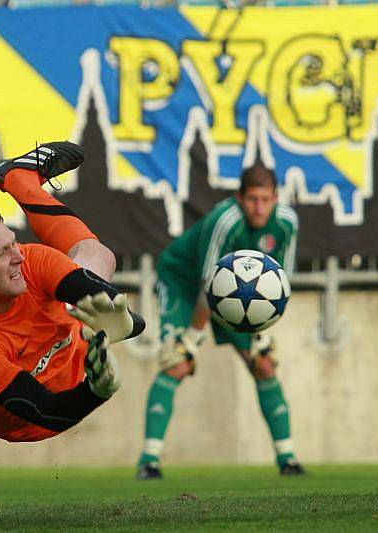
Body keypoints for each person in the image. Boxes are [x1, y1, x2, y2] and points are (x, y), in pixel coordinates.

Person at [0, 141, 144, 442]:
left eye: (13, 242)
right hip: (28, 423)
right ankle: (19, 178)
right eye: (1, 254)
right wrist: (95, 391)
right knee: (94, 272)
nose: (18, 256)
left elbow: (96, 292)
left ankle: (20, 180)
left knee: (97, 255)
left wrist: (119, 318)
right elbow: (46, 410)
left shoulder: (30, 259)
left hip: (76, 341)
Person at [136, 161, 305, 479]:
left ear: (276, 197)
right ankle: (149, 461)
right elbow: (207, 285)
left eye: (265, 199)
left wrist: (263, 335)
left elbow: (279, 289)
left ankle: (289, 461)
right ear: (240, 198)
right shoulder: (225, 221)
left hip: (241, 298)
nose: (259, 207)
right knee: (177, 362)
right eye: (252, 199)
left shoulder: (287, 224)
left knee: (264, 363)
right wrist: (192, 339)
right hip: (185, 286)